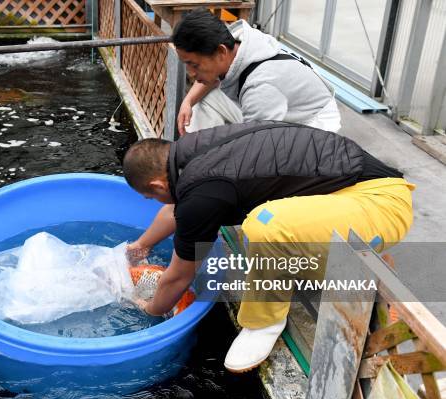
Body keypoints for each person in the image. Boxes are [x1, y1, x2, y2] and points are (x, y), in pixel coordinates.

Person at [123, 121, 414, 372]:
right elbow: (177, 209)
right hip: (346, 194)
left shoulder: (200, 191)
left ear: (159, 186)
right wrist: (140, 245)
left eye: (151, 197)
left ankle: (264, 323)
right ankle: (357, 259)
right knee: (268, 246)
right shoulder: (191, 152)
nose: (156, 202)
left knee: (265, 227)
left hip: (379, 205)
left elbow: (178, 276)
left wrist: (149, 309)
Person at [172, 8, 341, 135]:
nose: (191, 73)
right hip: (278, 107)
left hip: (310, 125)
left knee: (249, 158)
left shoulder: (260, 86)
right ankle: (197, 158)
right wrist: (188, 102)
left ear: (221, 52)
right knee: (206, 99)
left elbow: (256, 147)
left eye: (194, 65)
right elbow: (208, 80)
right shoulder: (236, 40)